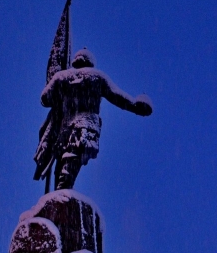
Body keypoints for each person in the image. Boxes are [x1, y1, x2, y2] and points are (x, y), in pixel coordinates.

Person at [39, 48, 152, 190]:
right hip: (85, 127)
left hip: (65, 130)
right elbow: (117, 97)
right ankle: (62, 196)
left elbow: (45, 100)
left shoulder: (62, 78)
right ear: (90, 62)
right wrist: (136, 106)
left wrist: (59, 84)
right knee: (71, 163)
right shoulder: (96, 77)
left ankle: (60, 196)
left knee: (62, 165)